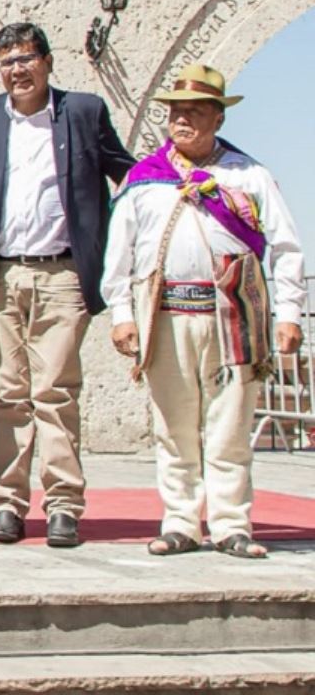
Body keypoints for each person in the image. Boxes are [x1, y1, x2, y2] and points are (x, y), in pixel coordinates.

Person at [105, 63, 306, 560]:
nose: (182, 120)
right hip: (166, 313)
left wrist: (290, 315)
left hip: (232, 313)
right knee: (174, 426)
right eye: (176, 112)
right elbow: (120, 254)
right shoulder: (145, 180)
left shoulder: (248, 176)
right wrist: (121, 314)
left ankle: (232, 523)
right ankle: (180, 523)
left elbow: (285, 247)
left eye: (195, 112)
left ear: (218, 118)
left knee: (230, 424)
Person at [0, 22, 134, 548]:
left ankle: (63, 504)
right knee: (9, 394)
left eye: (26, 58)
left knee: (55, 392)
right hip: (4, 275)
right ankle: (8, 505)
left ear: (47, 61)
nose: (18, 69)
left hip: (64, 273)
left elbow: (127, 173)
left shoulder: (83, 112)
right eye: (7, 60)